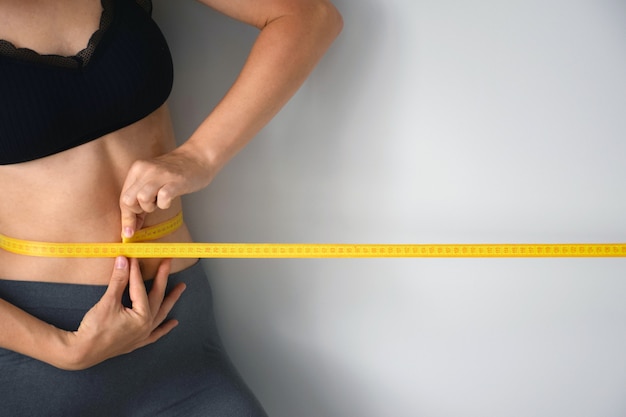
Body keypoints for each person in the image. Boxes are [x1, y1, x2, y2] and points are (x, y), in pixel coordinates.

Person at [0, 0, 342, 415]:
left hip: (182, 335)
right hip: (42, 349)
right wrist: (63, 349)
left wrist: (200, 156)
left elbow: (308, 16)